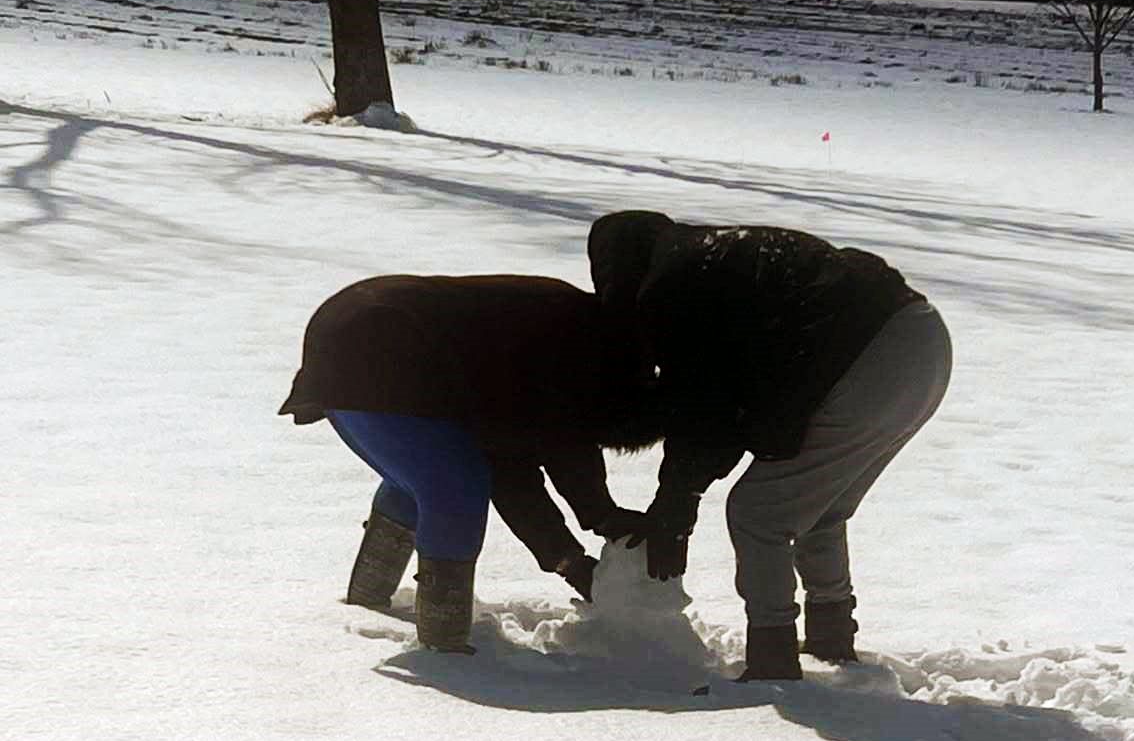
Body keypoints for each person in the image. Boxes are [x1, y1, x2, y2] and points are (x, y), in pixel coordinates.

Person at [587, 211, 953, 679]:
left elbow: (706, 405)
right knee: (819, 510)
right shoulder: (713, 255)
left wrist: (676, 503)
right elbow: (730, 393)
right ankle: (830, 636)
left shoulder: (672, 284)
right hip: (922, 339)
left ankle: (773, 659)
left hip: (871, 356)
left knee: (758, 513)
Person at [279, 274, 660, 652]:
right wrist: (595, 523)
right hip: (382, 348)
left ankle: (369, 594)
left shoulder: (577, 333)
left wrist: (575, 552)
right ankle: (443, 643)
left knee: (421, 474)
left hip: (349, 335)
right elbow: (541, 455)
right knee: (453, 486)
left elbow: (524, 458)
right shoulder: (579, 353)